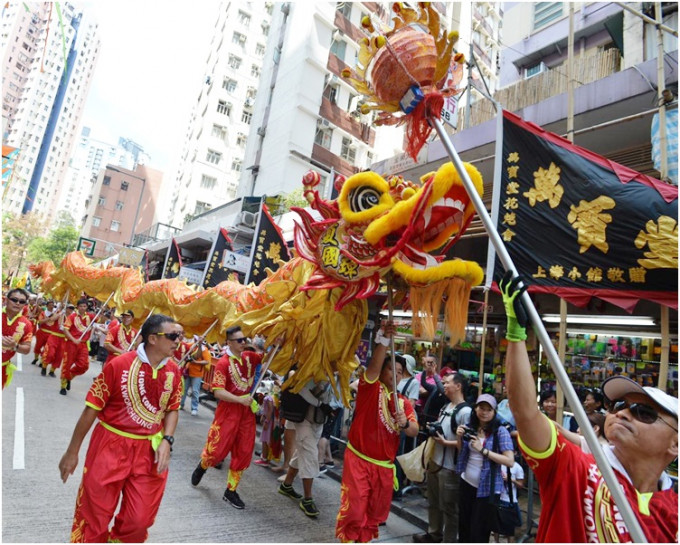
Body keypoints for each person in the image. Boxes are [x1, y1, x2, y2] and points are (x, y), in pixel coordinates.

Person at [500, 271, 678, 542]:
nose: (623, 413)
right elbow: (526, 414)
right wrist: (516, 334)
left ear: (675, 444)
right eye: (620, 405)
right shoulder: (577, 467)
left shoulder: (674, 518)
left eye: (644, 413)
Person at [57, 314, 182, 542]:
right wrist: (72, 452)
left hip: (148, 452)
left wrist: (167, 439)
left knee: (139, 520)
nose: (178, 341)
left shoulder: (174, 370)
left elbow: (173, 408)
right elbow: (91, 409)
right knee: (95, 514)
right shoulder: (119, 365)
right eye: (173, 336)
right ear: (153, 339)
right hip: (110, 445)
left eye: (179, 336)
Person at [335, 322, 418, 543]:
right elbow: (372, 368)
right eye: (392, 369)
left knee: (373, 517)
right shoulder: (370, 388)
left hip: (384, 469)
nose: (397, 375)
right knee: (354, 510)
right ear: (382, 371)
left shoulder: (404, 403)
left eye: (400, 372)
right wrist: (384, 339)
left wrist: (405, 424)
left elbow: (414, 430)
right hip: (359, 461)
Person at [191, 326, 260, 509]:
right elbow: (218, 391)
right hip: (228, 412)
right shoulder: (222, 363)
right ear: (229, 342)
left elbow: (269, 357)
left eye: (244, 339)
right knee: (217, 451)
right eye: (239, 340)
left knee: (243, 451)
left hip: (246, 414)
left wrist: (278, 340)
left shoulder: (249, 357)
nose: (243, 343)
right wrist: (239, 399)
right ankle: (203, 465)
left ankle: (231, 491)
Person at [413, 372, 472, 543]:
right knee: (433, 503)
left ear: (458, 386)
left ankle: (448, 540)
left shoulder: (465, 412)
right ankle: (434, 534)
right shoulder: (446, 407)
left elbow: (467, 446)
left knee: (449, 509)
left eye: (447, 383)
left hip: (450, 468)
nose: (443, 386)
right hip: (435, 463)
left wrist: (446, 443)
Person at [455, 393, 515, 543]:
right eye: (481, 408)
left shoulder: (500, 431)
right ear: (475, 409)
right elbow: (461, 451)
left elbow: (509, 461)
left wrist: (483, 450)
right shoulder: (470, 427)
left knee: (479, 532)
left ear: (495, 412)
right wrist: (459, 437)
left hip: (487, 490)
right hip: (466, 483)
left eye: (489, 409)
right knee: (464, 527)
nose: (484, 412)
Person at [277, 378, 331, 518]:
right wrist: (319, 402)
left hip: (319, 419)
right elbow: (300, 387)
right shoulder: (307, 365)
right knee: (310, 454)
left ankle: (286, 485)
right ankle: (308, 499)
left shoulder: (336, 372)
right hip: (303, 417)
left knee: (304, 451)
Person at [60, 298, 95, 395]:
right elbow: (65, 330)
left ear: (86, 307)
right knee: (67, 364)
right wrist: (73, 339)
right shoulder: (72, 317)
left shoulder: (90, 317)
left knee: (83, 365)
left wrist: (103, 310)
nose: (83, 308)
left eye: (84, 306)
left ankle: (69, 377)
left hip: (83, 344)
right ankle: (63, 386)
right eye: (81, 306)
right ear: (77, 307)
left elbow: (100, 319)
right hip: (72, 343)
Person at [2, 288, 34, 388]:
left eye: (22, 301)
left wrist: (14, 346)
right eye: (14, 300)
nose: (18, 303)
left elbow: (27, 349)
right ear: (6, 300)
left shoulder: (26, 324)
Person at [180, 336, 211, 415]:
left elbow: (207, 361)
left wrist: (196, 362)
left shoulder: (204, 349)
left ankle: (194, 408)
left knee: (195, 391)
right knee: (184, 389)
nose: (195, 340)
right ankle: (181, 404)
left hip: (197, 373)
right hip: (188, 371)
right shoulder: (190, 345)